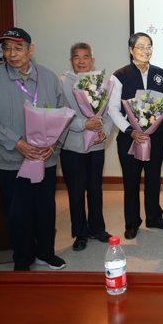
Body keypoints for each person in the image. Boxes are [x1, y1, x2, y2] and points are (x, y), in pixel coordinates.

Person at [0, 27, 67, 271]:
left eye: (18, 48)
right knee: (17, 213)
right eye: (7, 49)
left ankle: (45, 253)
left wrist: (54, 143)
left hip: (44, 159)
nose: (12, 54)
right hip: (11, 159)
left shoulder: (48, 77)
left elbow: (63, 114)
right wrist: (17, 143)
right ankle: (23, 259)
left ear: (30, 49)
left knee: (45, 209)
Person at [109, 32, 163, 240]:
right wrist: (130, 131)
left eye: (148, 46)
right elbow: (113, 109)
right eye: (140, 46)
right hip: (130, 137)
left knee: (154, 179)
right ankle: (132, 222)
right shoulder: (119, 75)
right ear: (131, 50)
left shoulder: (161, 74)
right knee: (131, 181)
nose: (145, 50)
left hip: (156, 137)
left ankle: (154, 217)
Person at [59, 43, 113, 251]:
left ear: (92, 60)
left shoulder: (100, 83)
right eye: (76, 57)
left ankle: (97, 229)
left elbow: (107, 115)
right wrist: (84, 124)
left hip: (96, 147)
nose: (81, 61)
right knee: (76, 192)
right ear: (71, 60)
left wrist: (104, 132)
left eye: (85, 57)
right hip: (72, 147)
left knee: (95, 189)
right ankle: (80, 233)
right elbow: (60, 115)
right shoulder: (61, 83)